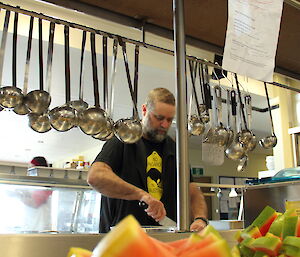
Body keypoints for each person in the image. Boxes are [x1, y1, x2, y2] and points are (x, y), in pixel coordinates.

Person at [87, 88, 208, 233]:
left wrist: (200, 218)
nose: (165, 124)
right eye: (159, 117)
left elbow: (192, 190)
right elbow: (96, 177)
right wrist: (142, 195)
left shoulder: (175, 149)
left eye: (169, 120)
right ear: (144, 110)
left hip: (164, 240)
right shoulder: (123, 139)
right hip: (122, 241)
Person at [19, 156, 53, 231]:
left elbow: (34, 203)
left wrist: (19, 195)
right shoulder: (34, 184)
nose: (29, 171)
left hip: (40, 227)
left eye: (32, 167)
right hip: (31, 225)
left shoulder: (45, 185)